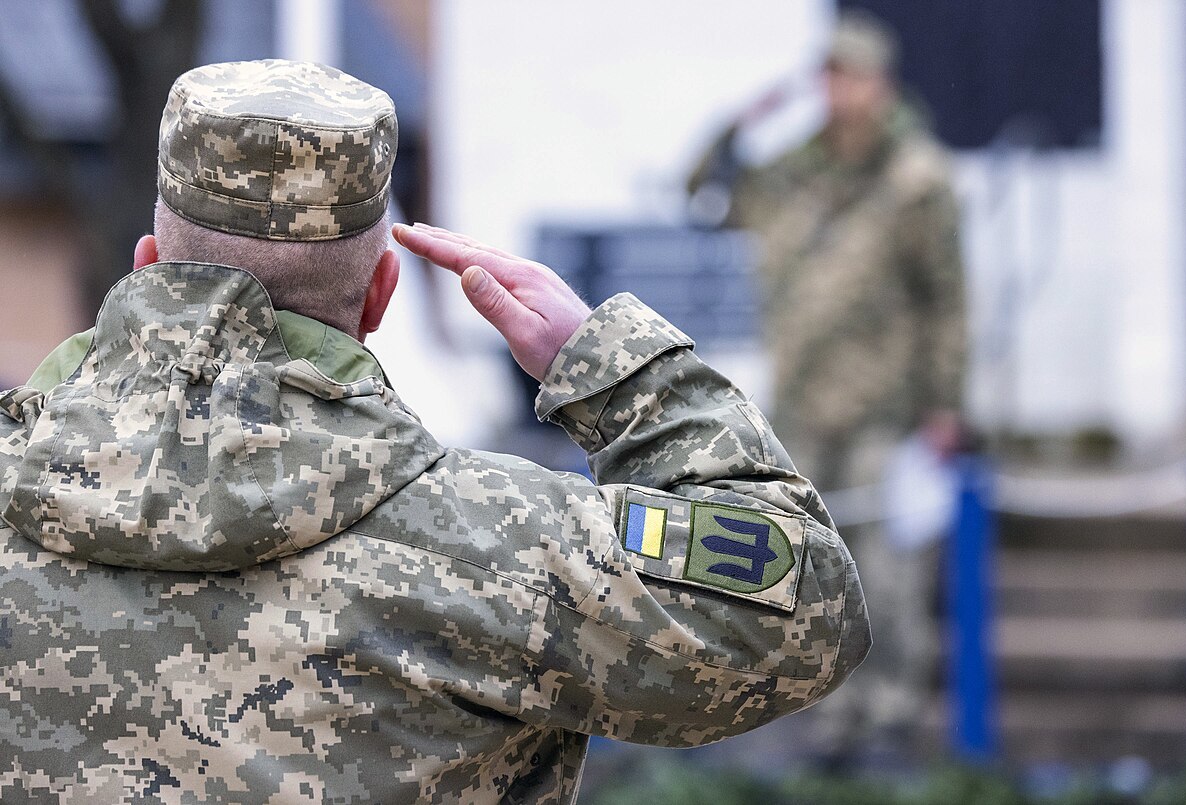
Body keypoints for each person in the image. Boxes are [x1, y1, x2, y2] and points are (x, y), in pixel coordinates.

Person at [0, 59, 868, 803]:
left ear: (148, 267)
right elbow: (806, 604)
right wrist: (614, 368)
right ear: (381, 295)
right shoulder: (503, 542)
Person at [689, 10, 966, 763]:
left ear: (883, 84)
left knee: (885, 567)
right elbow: (702, 196)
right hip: (803, 404)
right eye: (832, 75)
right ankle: (832, 716)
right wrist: (734, 125)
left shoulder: (917, 178)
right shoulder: (791, 173)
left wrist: (946, 404)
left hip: (885, 406)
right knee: (809, 566)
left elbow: (946, 296)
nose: (841, 91)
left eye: (855, 76)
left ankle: (893, 714)